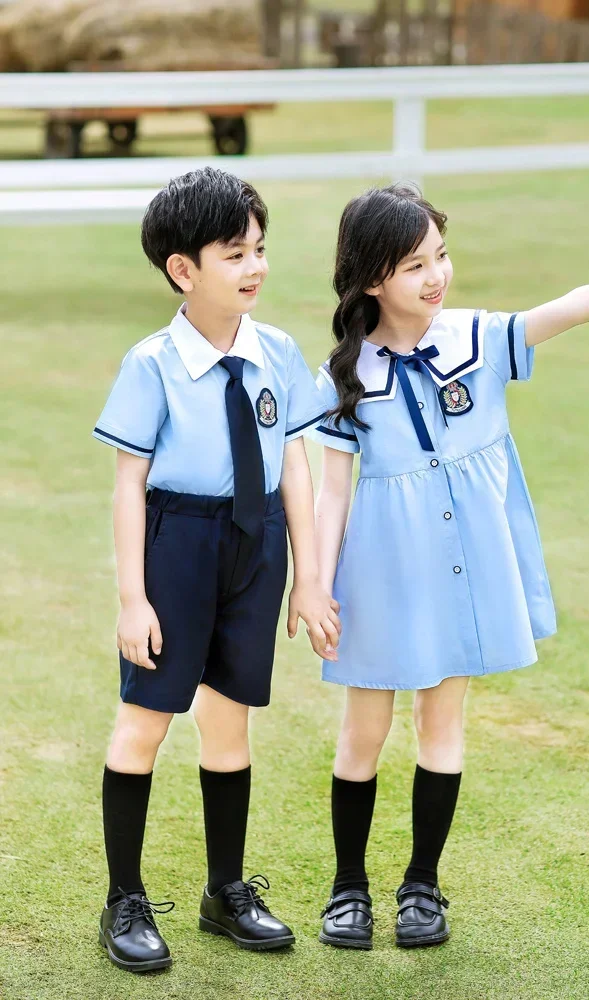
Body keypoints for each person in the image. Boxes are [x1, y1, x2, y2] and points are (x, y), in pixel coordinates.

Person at [306, 183, 589, 950]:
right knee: (361, 736)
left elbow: (575, 305)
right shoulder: (344, 374)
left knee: (443, 726)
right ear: (372, 279)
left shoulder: (478, 337)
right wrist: (314, 584)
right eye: (414, 265)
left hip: (459, 567)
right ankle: (348, 890)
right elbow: (331, 493)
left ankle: (422, 888)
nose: (436, 276)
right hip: (376, 573)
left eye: (440, 255)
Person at [93, 167, 340, 973]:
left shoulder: (278, 351)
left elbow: (294, 463)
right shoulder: (152, 361)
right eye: (235, 253)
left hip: (256, 543)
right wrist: (134, 598)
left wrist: (307, 575)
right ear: (182, 269)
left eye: (260, 249)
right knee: (147, 722)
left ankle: (224, 891)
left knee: (230, 721)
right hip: (180, 544)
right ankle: (123, 900)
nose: (255, 267)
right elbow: (130, 482)